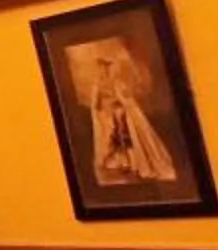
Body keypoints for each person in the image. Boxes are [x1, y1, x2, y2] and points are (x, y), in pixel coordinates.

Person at [76, 43, 178, 186]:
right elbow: (95, 104)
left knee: (125, 136)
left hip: (121, 114)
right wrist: (103, 106)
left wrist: (119, 103)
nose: (103, 72)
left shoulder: (116, 83)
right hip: (108, 116)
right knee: (115, 139)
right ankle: (122, 162)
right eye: (101, 69)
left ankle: (134, 163)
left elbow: (124, 98)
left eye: (105, 68)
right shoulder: (97, 86)